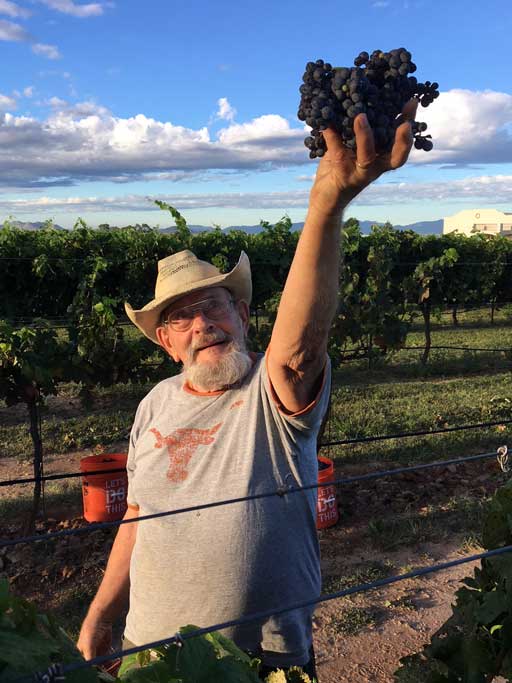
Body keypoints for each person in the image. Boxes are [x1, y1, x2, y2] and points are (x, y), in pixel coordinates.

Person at [77, 103, 416, 679]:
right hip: (151, 654)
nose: (201, 324)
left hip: (261, 660)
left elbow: (299, 345)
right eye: (180, 318)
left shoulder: (271, 389)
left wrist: (326, 205)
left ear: (241, 312)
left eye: (212, 306)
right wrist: (100, 613)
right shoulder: (153, 405)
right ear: (165, 342)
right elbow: (138, 515)